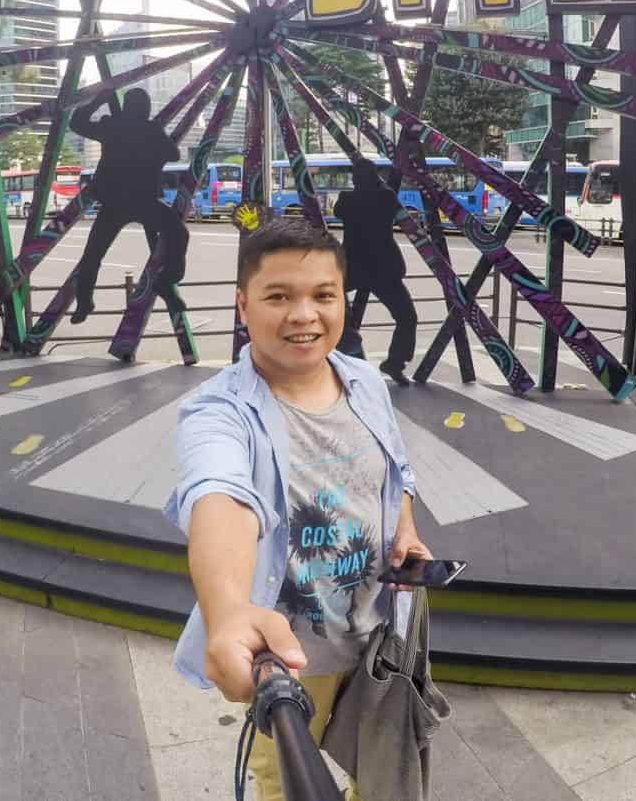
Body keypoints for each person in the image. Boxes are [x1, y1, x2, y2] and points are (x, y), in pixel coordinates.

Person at [163, 219, 431, 801]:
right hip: (289, 656)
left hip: (379, 636)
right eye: (279, 296)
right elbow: (221, 493)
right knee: (287, 785)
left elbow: (399, 470)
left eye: (323, 295)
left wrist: (404, 530)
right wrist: (228, 612)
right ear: (243, 305)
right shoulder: (220, 413)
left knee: (382, 775)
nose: (304, 315)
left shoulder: (365, 382)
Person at [69, 87, 188, 323]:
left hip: (113, 202)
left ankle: (84, 301)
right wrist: (154, 138)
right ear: (146, 108)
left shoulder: (112, 126)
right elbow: (173, 155)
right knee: (179, 234)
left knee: (93, 254)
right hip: (144, 201)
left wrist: (98, 101)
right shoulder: (151, 130)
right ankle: (167, 281)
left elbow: (77, 123)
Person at [333, 158, 418, 385]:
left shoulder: (347, 199)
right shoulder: (386, 197)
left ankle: (343, 354)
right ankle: (395, 363)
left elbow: (338, 212)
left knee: (330, 309)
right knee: (407, 317)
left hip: (354, 266)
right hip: (383, 268)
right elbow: (392, 206)